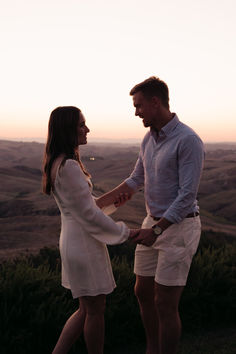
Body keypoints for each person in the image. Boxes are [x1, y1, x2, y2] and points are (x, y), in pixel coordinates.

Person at [97, 77, 205, 354]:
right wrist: (95, 206)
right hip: (151, 221)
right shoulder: (148, 138)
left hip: (179, 227)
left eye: (139, 105)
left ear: (155, 102)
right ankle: (152, 349)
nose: (136, 112)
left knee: (165, 302)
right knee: (142, 292)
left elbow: (187, 196)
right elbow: (135, 179)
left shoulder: (188, 140)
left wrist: (156, 230)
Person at [42, 106, 156, 354]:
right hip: (83, 244)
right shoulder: (69, 167)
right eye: (81, 125)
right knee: (94, 311)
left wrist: (114, 204)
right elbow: (88, 214)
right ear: (67, 130)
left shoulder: (57, 164)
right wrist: (127, 233)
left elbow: (83, 207)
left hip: (75, 240)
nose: (87, 129)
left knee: (86, 309)